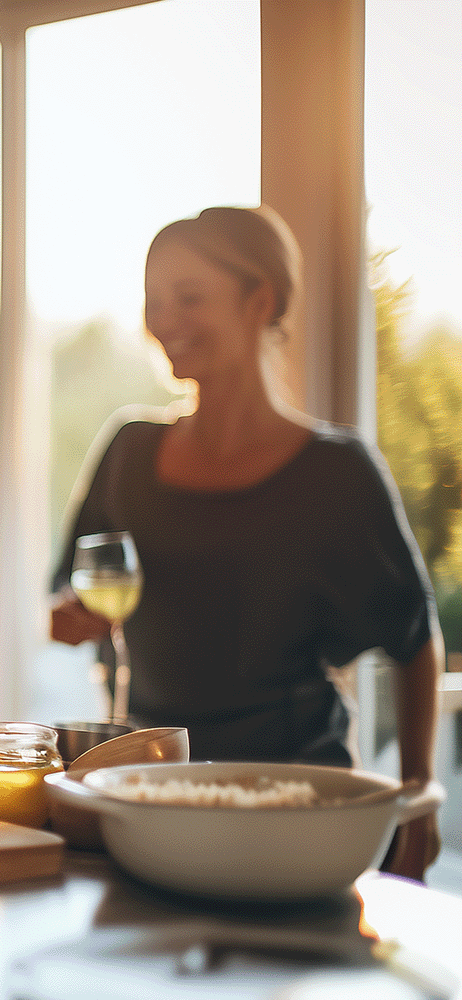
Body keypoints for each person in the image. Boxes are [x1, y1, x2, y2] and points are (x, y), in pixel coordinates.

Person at [50, 205, 441, 880]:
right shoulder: (129, 450)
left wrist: (419, 800)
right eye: (154, 300)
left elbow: (415, 640)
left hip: (296, 800)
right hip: (150, 793)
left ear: (260, 299)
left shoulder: (336, 472)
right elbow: (67, 597)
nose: (164, 319)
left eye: (189, 297)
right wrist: (70, 615)